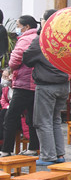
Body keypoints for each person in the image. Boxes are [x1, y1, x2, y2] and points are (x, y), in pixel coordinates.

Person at [23, 9, 70, 165]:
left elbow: (27, 59)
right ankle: (59, 154)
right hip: (63, 84)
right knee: (55, 120)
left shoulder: (42, 39)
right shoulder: (67, 37)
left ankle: (48, 156)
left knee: (43, 121)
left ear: (47, 21)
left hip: (47, 85)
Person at [0, 15, 40, 158]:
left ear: (26, 27)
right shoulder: (39, 37)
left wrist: (10, 68)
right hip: (35, 84)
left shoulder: (26, 39)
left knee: (10, 117)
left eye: (18, 25)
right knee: (32, 118)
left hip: (23, 83)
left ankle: (6, 150)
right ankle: (34, 147)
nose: (17, 28)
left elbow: (16, 59)